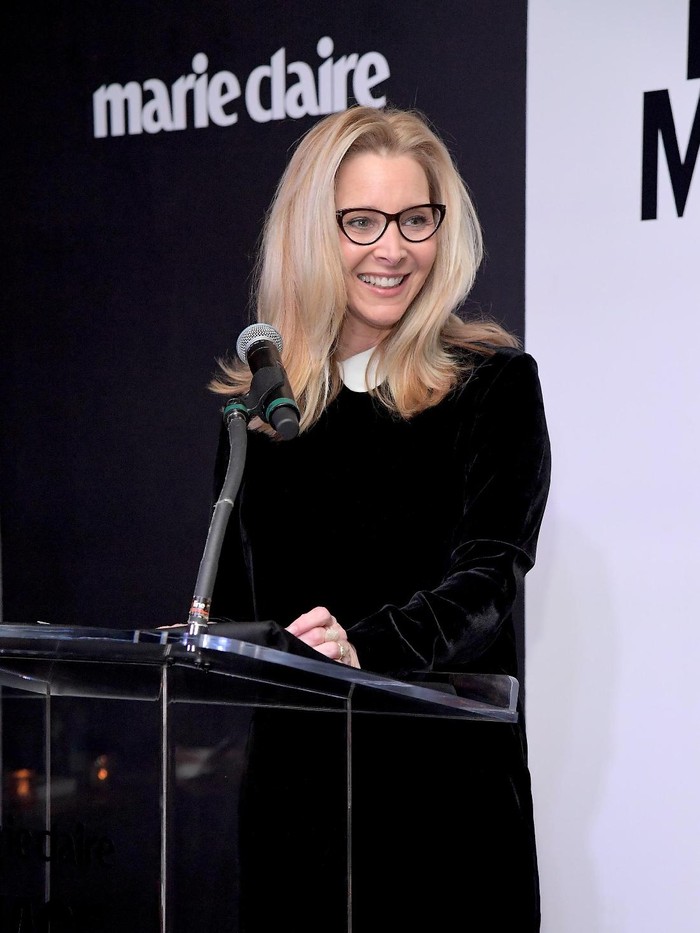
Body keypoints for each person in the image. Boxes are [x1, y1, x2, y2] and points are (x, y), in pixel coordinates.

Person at [209, 105, 551, 932]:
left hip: (449, 814)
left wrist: (366, 649)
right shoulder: (260, 410)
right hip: (298, 818)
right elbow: (232, 609)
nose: (392, 248)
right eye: (361, 222)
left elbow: (489, 574)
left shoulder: (493, 388)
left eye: (414, 219)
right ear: (311, 233)